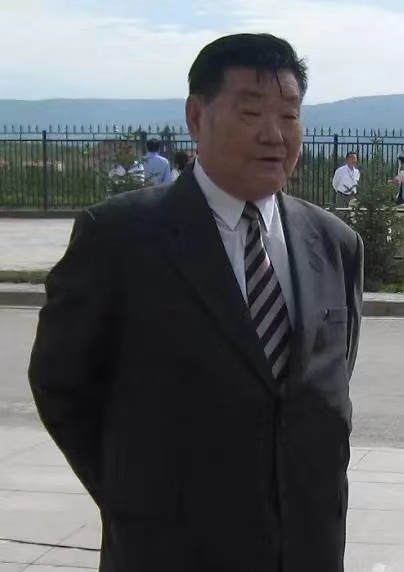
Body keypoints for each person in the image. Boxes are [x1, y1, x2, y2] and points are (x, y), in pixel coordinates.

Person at [29, 33, 363, 572]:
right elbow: (62, 386)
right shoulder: (120, 238)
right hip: (171, 550)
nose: (274, 134)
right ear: (195, 116)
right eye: (250, 112)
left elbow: (329, 381)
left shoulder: (334, 243)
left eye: (289, 116)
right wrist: (139, 499)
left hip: (308, 548)